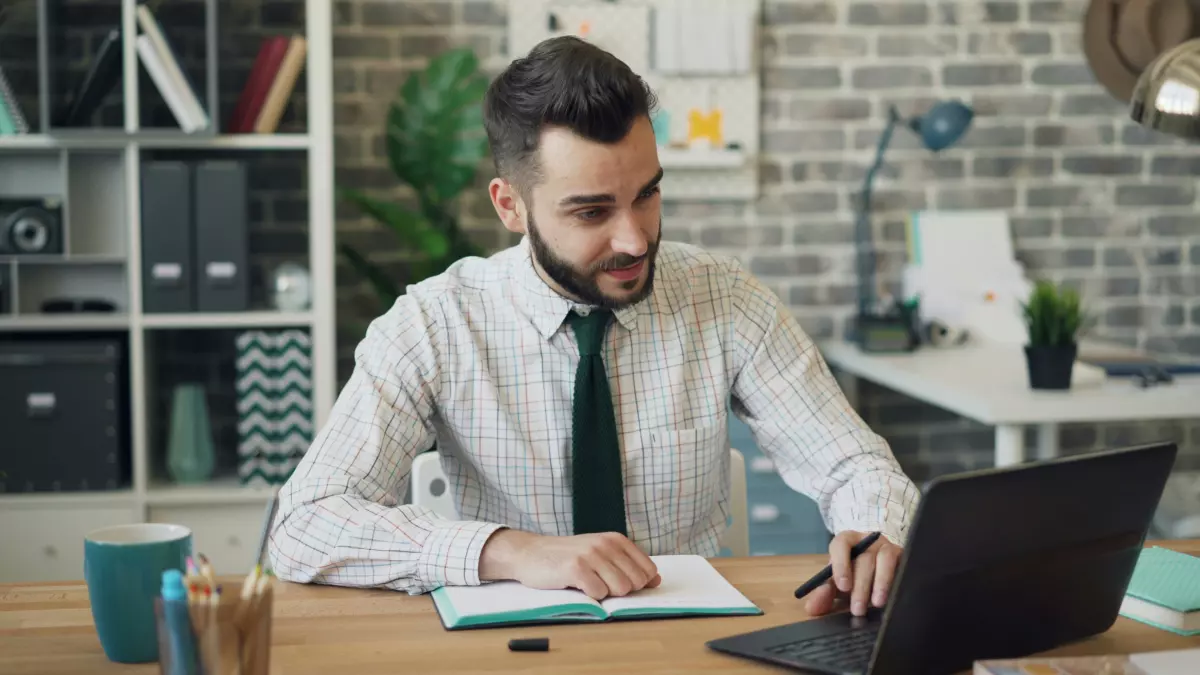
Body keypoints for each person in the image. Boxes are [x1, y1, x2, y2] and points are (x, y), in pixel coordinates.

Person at [268, 36, 921, 619]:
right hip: (508, 651)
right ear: (510, 206)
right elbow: (303, 522)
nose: (635, 238)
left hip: (688, 647)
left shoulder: (724, 298)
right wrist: (512, 550)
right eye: (591, 211)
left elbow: (852, 463)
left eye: (648, 194)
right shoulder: (434, 322)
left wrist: (874, 529)